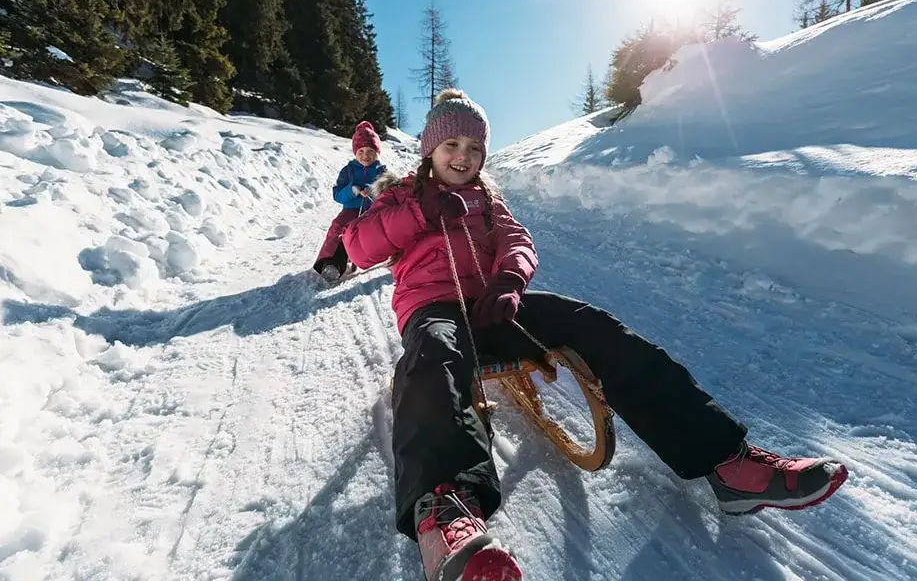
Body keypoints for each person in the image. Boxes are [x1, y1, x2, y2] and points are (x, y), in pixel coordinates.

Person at [343, 90, 848, 581]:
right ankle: (446, 509)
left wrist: (509, 280)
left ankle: (725, 460)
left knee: (590, 324)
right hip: (435, 309)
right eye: (452, 146)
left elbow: (518, 241)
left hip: (495, 307)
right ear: (430, 149)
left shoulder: (488, 200)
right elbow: (360, 246)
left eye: (475, 148)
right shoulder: (400, 194)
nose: (464, 156)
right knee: (433, 358)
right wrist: (421, 213)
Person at [313, 121, 387, 282]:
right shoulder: (348, 171)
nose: (365, 155)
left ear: (377, 152)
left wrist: (373, 192)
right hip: (351, 210)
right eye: (361, 151)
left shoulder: (382, 172)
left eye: (370, 151)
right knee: (339, 228)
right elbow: (338, 194)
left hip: (374, 211)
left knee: (366, 234)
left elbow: (389, 192)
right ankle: (331, 263)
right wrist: (352, 190)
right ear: (355, 152)